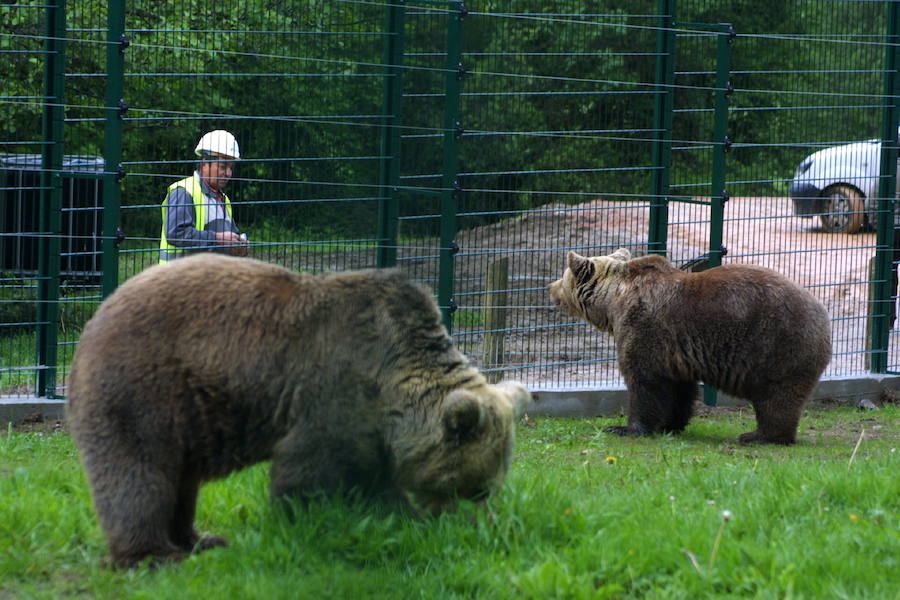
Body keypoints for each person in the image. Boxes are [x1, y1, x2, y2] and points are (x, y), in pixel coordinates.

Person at [159, 130, 249, 264]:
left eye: (231, 167)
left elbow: (229, 239)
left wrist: (238, 246)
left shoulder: (223, 200)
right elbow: (176, 234)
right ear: (204, 163)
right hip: (179, 280)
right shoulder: (184, 192)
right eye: (223, 167)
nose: (228, 173)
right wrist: (217, 239)